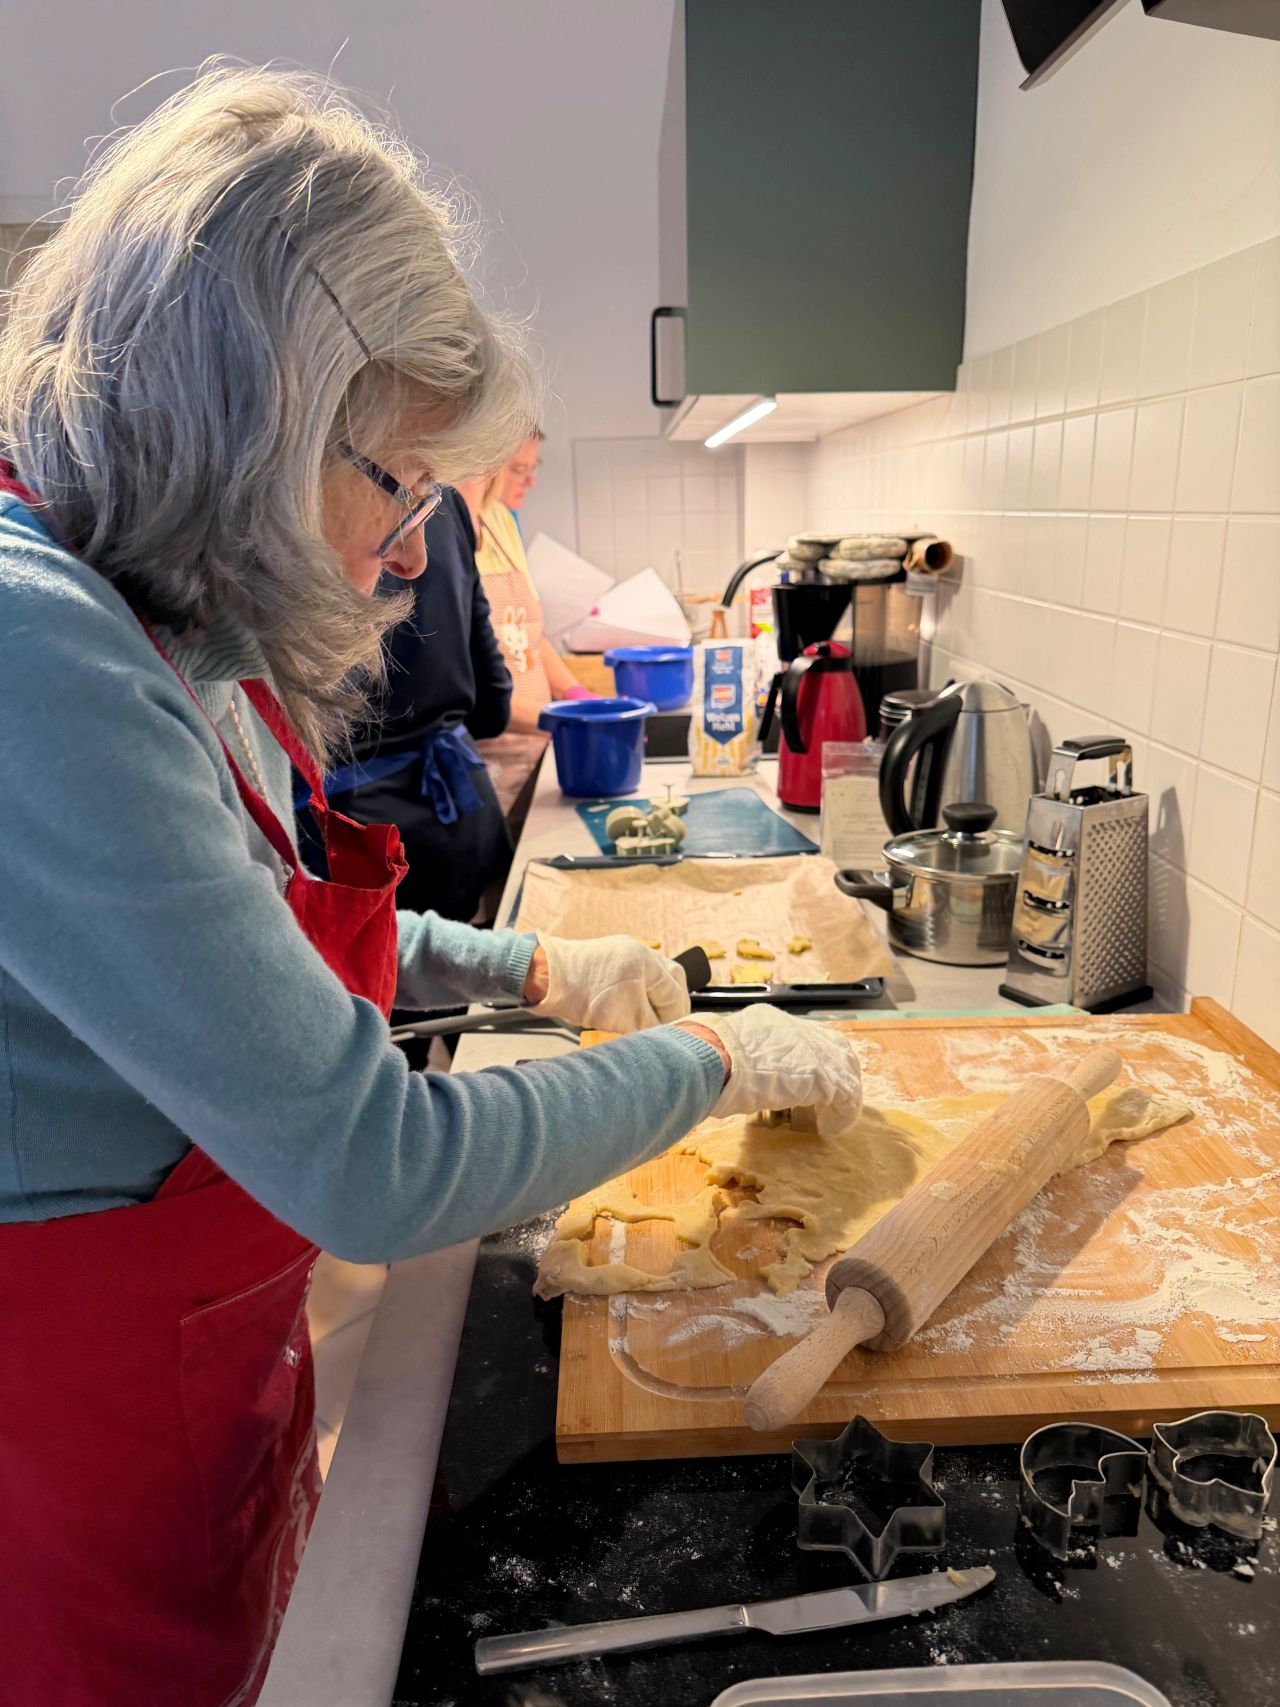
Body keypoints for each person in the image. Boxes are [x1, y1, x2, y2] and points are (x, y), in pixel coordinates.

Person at [0, 66, 861, 1707]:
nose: (411, 554)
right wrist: (711, 1065)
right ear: (255, 421)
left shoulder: (179, 636)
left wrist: (526, 972)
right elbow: (375, 1168)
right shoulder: (32, 653)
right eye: (398, 485)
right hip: (63, 1461)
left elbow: (238, 953)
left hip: (205, 1391)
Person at [298, 485, 515, 924]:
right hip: (463, 819)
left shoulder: (311, 500)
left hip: (359, 840)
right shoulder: (445, 501)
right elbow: (493, 706)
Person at [457, 449, 594, 824]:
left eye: (534, 467)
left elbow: (529, 634)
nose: (530, 480)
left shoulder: (502, 521)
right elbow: (471, 692)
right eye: (519, 469)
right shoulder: (448, 532)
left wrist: (577, 695)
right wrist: (562, 719)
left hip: (537, 749)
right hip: (490, 761)